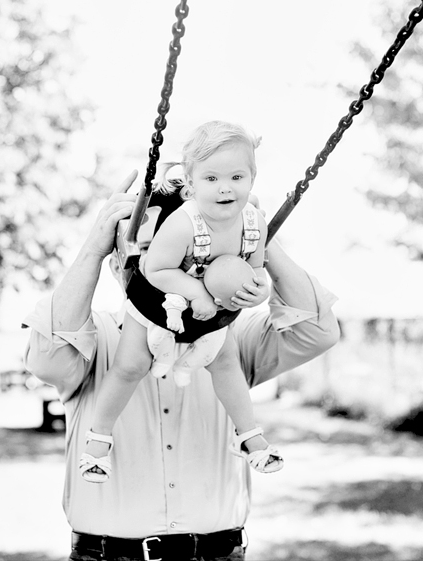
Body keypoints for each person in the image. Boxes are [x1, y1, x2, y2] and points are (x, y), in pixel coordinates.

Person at [23, 167, 341, 561]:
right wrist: (93, 247)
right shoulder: (95, 338)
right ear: (116, 264)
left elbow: (317, 329)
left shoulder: (231, 338)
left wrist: (250, 233)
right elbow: (47, 354)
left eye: (188, 256)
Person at [79, 121, 282, 485]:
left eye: (237, 177)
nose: (225, 188)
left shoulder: (254, 223)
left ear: (252, 179)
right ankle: (98, 439)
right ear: (191, 185)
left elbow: (254, 267)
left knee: (226, 363)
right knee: (130, 365)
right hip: (156, 302)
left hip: (211, 315)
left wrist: (260, 290)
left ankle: (248, 434)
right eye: (211, 179)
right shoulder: (183, 224)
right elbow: (155, 269)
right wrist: (199, 292)